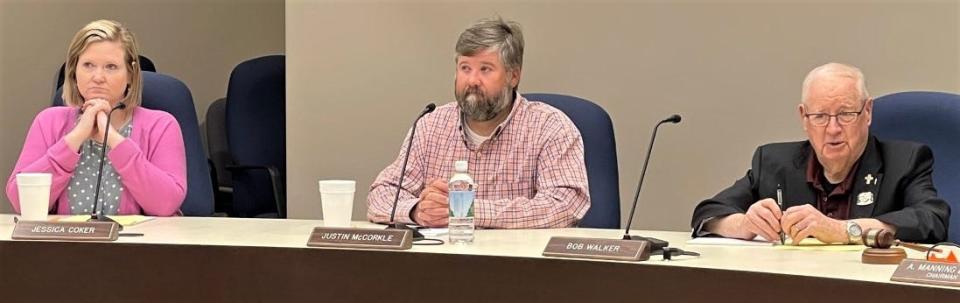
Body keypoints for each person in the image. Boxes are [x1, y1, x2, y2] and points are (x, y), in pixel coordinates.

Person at [367, 17, 590, 228]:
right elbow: (382, 194)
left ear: (514, 76)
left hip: (518, 264)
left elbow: (565, 205)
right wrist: (418, 210)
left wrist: (466, 209)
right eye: (465, 68)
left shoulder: (549, 127)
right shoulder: (430, 125)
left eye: (485, 69)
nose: (472, 81)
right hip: (442, 262)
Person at [691, 63, 950, 244]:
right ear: (804, 117)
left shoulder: (904, 161)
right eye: (820, 116)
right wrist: (744, 225)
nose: (833, 129)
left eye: (846, 114)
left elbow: (931, 219)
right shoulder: (772, 162)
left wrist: (842, 230)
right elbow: (707, 213)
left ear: (867, 112)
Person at [5, 19, 186, 216]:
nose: (98, 77)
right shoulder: (48, 122)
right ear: (74, 72)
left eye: (111, 67)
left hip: (137, 245)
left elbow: (166, 204)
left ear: (131, 75)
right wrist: (75, 139)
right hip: (64, 245)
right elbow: (22, 203)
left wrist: (115, 141)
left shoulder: (161, 126)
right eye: (88, 65)